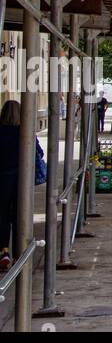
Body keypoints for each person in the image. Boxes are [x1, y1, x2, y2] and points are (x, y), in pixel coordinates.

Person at [0, 99, 45, 273]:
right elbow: (38, 153)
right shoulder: (24, 132)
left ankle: (3, 252)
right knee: (20, 215)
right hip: (21, 180)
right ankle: (21, 253)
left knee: (2, 216)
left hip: (2, 179)